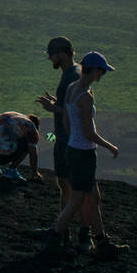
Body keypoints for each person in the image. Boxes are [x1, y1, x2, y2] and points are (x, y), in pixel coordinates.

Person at [46, 51, 122, 259]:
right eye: (102, 72)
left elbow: (67, 123)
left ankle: (101, 240)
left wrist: (73, 140)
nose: (102, 76)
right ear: (95, 70)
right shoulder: (86, 97)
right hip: (83, 153)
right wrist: (110, 146)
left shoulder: (72, 89)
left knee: (92, 197)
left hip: (74, 149)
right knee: (79, 198)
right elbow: (89, 132)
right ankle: (55, 233)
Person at [35, 37, 84, 250]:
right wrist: (56, 104)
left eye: (52, 56)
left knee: (69, 186)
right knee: (66, 184)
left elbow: (76, 111)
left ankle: (68, 229)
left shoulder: (72, 75)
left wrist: (54, 109)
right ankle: (63, 227)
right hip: (64, 137)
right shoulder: (73, 73)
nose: (51, 60)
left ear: (61, 54)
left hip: (67, 138)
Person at [0, 110, 42, 181]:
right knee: (28, 145)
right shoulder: (31, 129)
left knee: (2, 138)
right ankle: (11, 170)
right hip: (1, 157)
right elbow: (33, 153)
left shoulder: (8, 114)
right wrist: (35, 172)